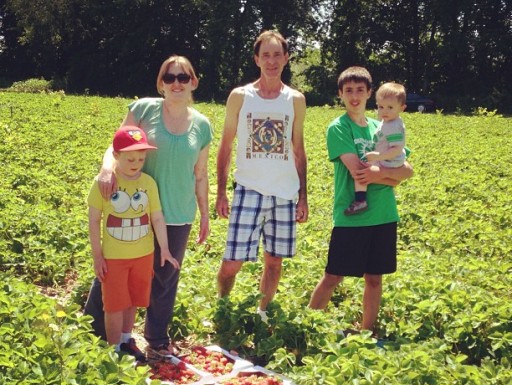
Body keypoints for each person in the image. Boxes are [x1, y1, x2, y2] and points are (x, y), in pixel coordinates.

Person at [84, 55, 212, 355]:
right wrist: (106, 169)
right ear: (161, 83)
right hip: (137, 208)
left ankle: (155, 338)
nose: (176, 83)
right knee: (117, 268)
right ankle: (92, 330)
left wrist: (204, 212)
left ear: (193, 82)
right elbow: (115, 145)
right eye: (170, 77)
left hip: (178, 211)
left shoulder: (202, 126)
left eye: (183, 77)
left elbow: (201, 174)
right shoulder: (143, 108)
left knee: (165, 275)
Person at [308, 66, 413, 334]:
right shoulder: (339, 128)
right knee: (333, 275)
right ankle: (307, 327)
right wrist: (390, 176)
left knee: (374, 279)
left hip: (384, 214)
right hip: (351, 215)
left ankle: (368, 333)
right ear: (340, 94)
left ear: (369, 92)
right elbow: (359, 172)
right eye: (348, 91)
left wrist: (384, 174)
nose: (354, 96)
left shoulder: (383, 125)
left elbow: (407, 171)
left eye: (360, 90)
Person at [215, 30, 308, 322]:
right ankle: (222, 305)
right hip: (248, 189)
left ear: (286, 58)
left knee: (274, 262)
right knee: (232, 262)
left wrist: (303, 195)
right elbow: (226, 145)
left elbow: (298, 149)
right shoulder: (241, 97)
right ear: (256, 59)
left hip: (284, 193)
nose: (271, 61)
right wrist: (220, 192)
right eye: (265, 55)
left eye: (277, 54)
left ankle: (262, 313)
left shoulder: (295, 99)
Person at [88, 126, 180, 362]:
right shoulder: (104, 184)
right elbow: (94, 221)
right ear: (116, 156)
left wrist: (166, 249)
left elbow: (157, 217)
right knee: (114, 305)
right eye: (130, 158)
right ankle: (113, 351)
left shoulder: (148, 183)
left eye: (141, 158)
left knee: (133, 299)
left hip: (143, 255)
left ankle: (126, 340)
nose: (136, 163)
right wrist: (98, 256)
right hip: (114, 257)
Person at [344, 81, 407, 215]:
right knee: (364, 171)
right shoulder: (389, 121)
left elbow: (396, 149)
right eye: (381, 107)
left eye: (390, 107)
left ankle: (361, 200)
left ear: (402, 108)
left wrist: (378, 157)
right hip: (389, 159)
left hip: (389, 160)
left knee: (361, 172)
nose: (384, 111)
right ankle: (391, 180)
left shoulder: (393, 126)